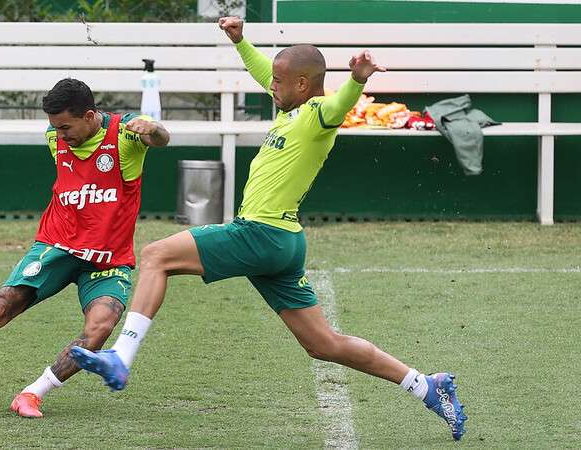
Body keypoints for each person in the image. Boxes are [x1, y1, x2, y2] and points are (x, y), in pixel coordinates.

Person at [70, 17, 467, 441]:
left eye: (278, 81)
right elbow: (266, 70)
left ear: (301, 84)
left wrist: (354, 81)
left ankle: (122, 357)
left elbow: (337, 106)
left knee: (155, 255)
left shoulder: (316, 113)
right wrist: (241, 41)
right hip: (282, 242)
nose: (269, 85)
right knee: (323, 344)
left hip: (261, 234)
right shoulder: (291, 105)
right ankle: (426, 385)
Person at [0, 78, 170, 418]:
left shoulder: (124, 137)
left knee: (101, 327)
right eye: (55, 127)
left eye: (66, 126)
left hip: (106, 259)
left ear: (90, 115)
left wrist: (152, 129)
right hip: (57, 246)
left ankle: (32, 394)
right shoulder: (55, 138)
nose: (60, 134)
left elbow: (161, 140)